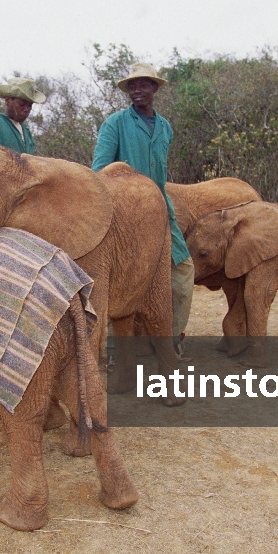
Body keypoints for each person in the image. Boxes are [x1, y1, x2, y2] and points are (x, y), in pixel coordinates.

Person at [91, 63, 194, 360]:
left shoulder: (165, 127)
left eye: (143, 84)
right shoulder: (115, 124)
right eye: (132, 86)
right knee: (122, 280)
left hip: (162, 211)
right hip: (126, 214)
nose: (137, 90)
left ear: (154, 88)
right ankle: (113, 351)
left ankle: (169, 341)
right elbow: (100, 170)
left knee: (183, 273)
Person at [0, 78, 46, 154]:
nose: (26, 109)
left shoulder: (26, 130)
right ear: (7, 101)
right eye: (22, 104)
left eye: (30, 105)